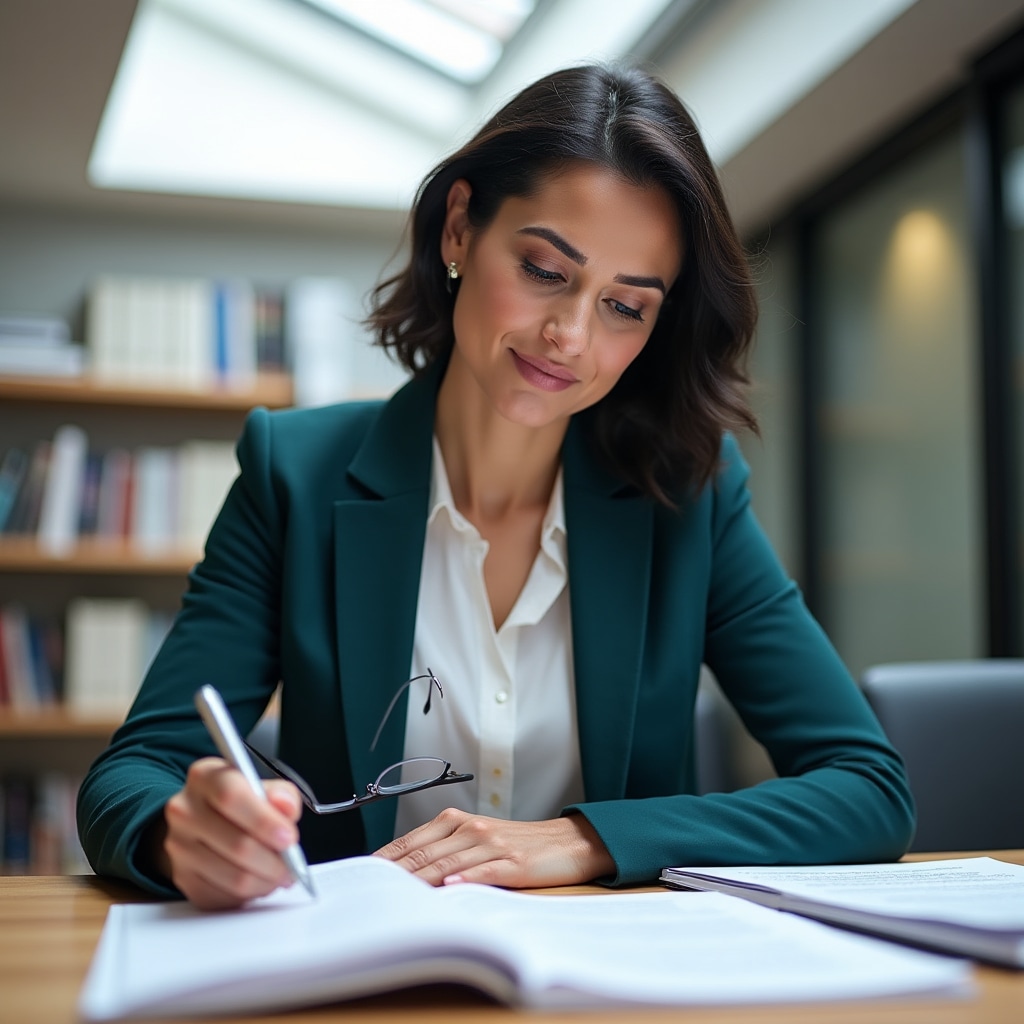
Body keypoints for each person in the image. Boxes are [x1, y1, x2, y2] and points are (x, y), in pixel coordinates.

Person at [77, 63, 915, 910]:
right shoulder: (293, 471)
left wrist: (584, 839)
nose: (570, 336)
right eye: (546, 269)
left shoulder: (689, 495)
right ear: (459, 230)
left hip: (610, 980)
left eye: (626, 307)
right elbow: (131, 776)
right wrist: (183, 832)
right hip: (354, 976)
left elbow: (867, 788)